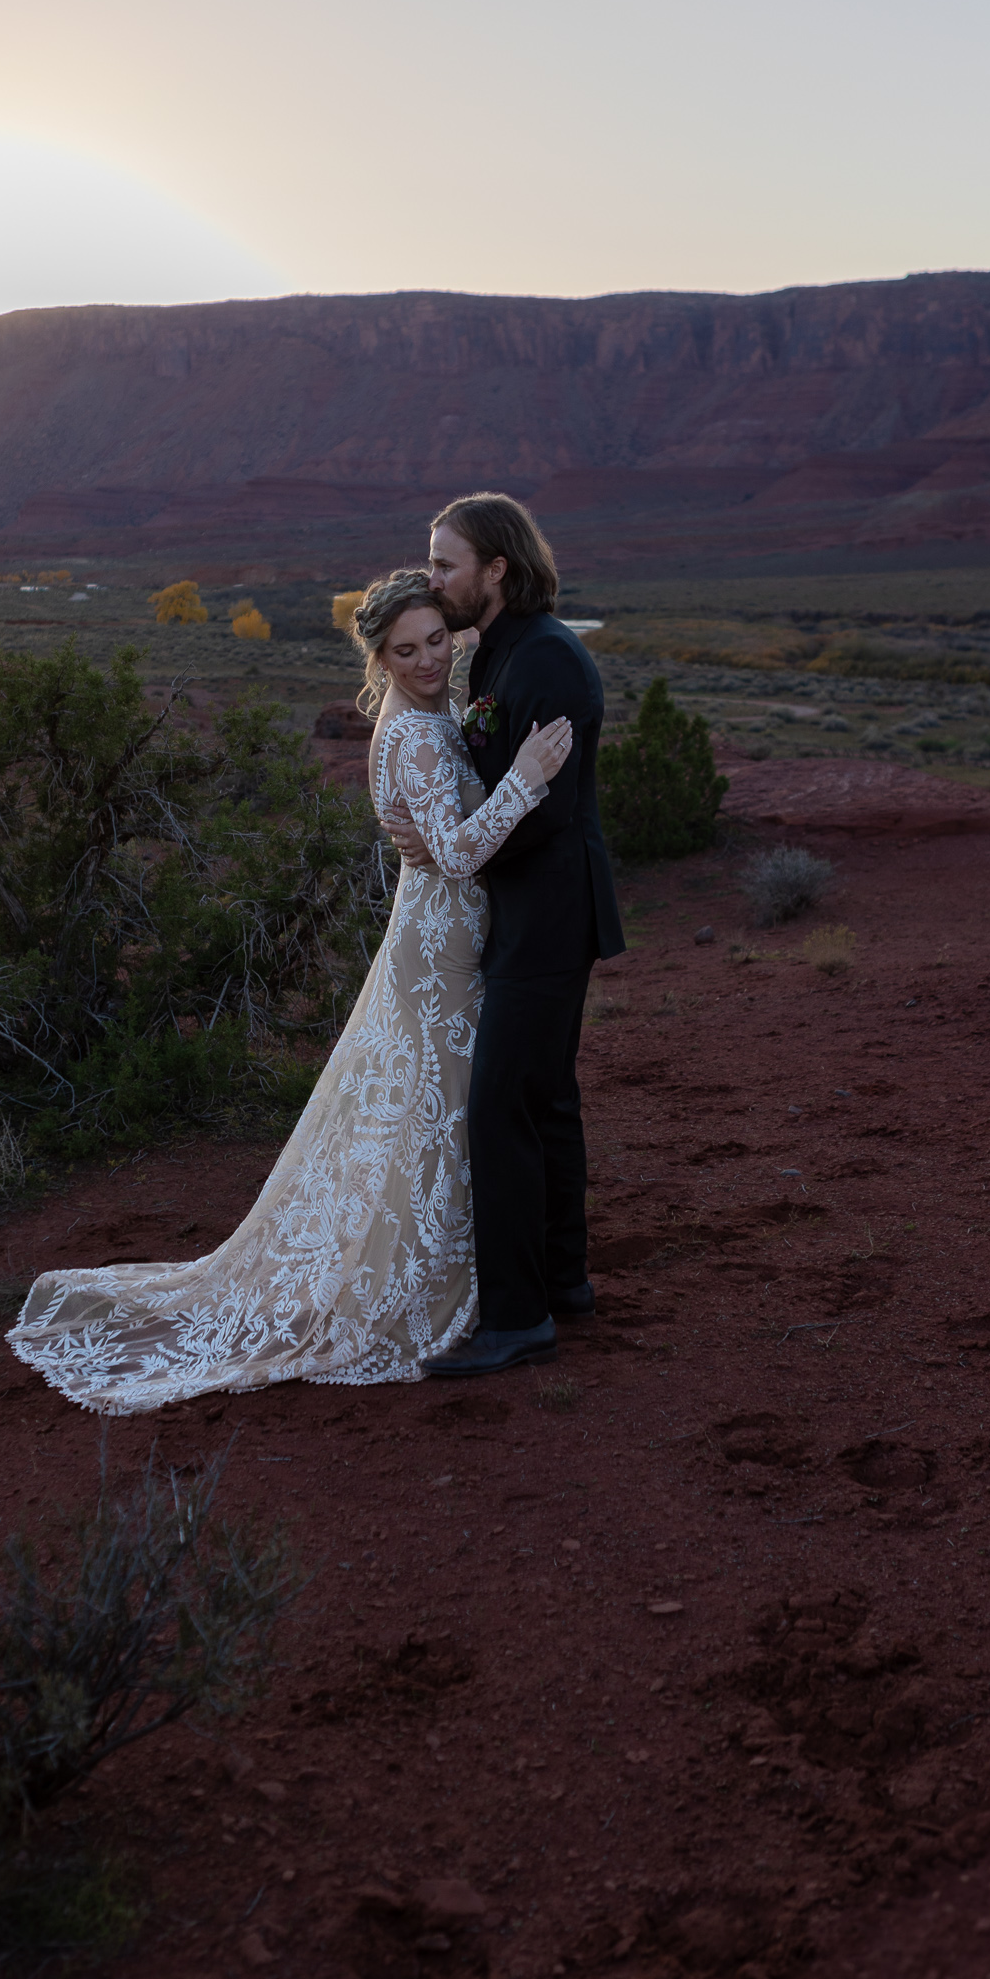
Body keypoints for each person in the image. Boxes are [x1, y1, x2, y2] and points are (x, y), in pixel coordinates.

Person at [4, 568, 574, 1415]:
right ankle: (424, 1288)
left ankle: (452, 1269)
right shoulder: (415, 733)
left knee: (436, 1111)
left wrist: (477, 651)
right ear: (378, 658)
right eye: (405, 650)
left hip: (441, 934)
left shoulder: (427, 713)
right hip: (441, 946)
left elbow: (431, 815)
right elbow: (455, 855)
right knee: (442, 1110)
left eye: (436, 642)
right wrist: (525, 778)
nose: (426, 661)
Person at [387, 493, 624, 1377]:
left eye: (446, 563)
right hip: (528, 911)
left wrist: (451, 849)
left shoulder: (549, 660)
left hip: (547, 916)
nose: (431, 576)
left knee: (499, 1110)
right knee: (545, 1100)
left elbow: (545, 812)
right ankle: (564, 1282)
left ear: (496, 569)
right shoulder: (501, 652)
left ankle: (517, 1318)